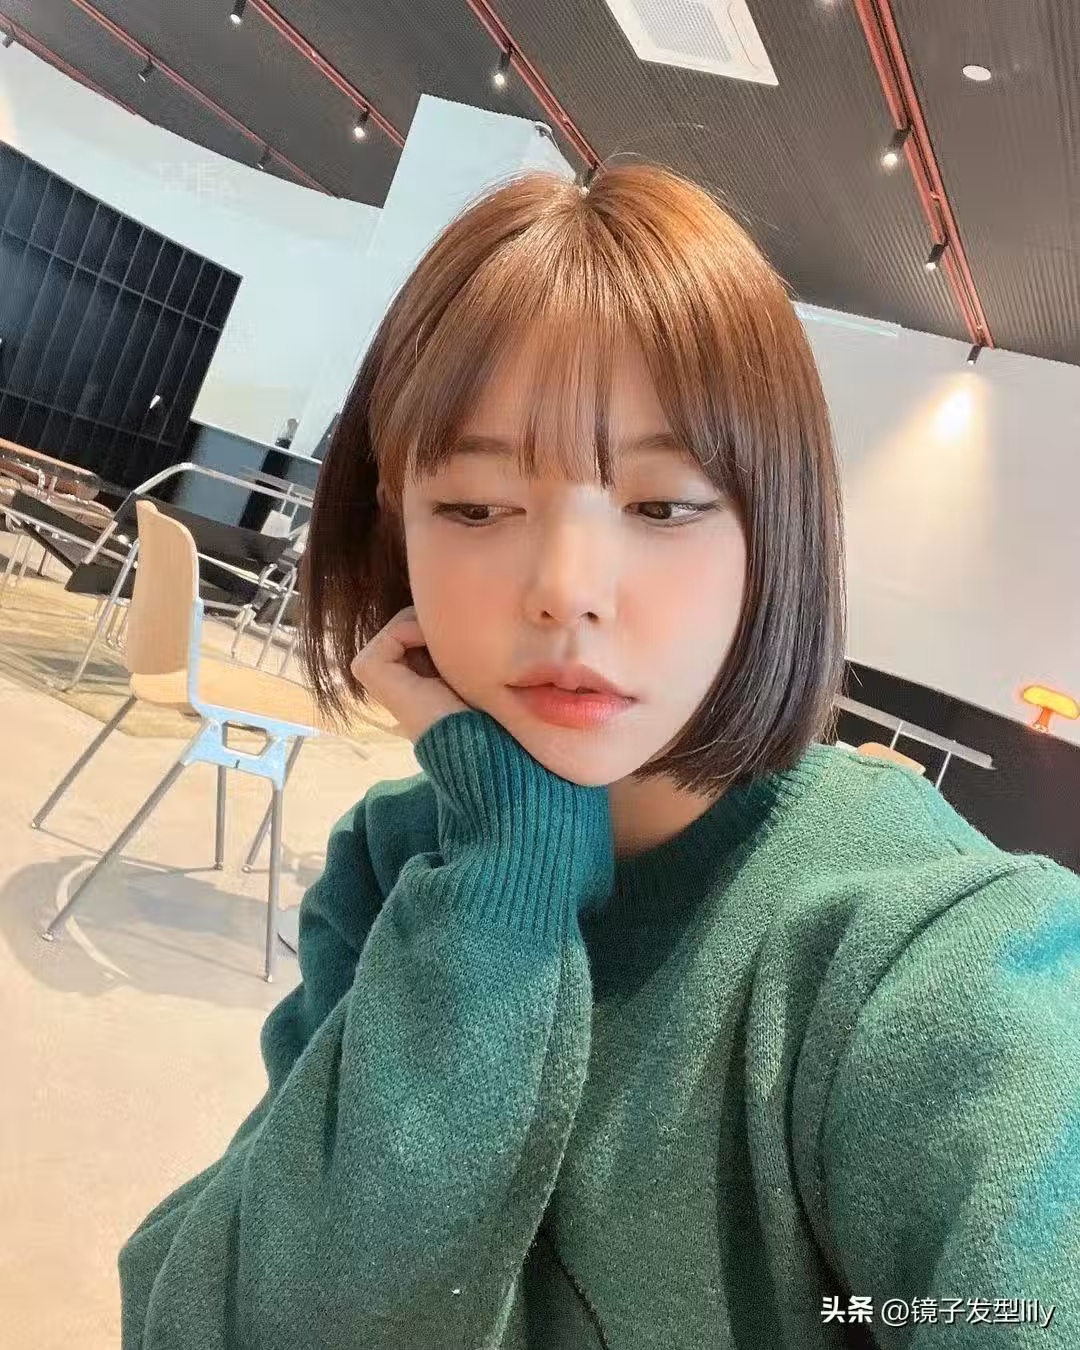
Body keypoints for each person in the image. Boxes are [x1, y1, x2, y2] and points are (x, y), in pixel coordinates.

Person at [117, 164, 1079, 1348]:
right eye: (476, 508)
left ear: (775, 536)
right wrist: (507, 874)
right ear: (394, 529)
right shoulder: (394, 861)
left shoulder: (928, 950)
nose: (567, 591)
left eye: (664, 508)